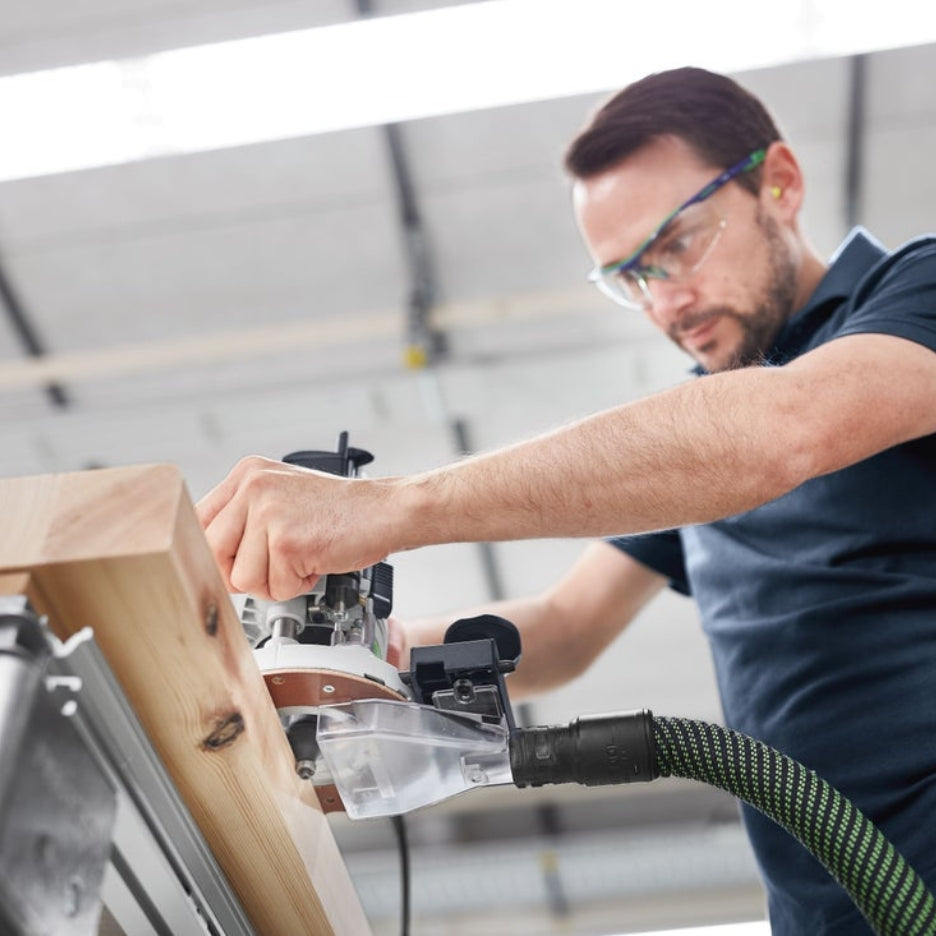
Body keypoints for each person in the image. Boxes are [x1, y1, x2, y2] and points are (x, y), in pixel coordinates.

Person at [196, 67, 936, 934]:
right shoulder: (703, 446)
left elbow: (785, 426)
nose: (665, 301)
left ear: (780, 182)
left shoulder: (911, 297)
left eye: (679, 244)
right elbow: (566, 627)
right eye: (630, 276)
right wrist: (367, 656)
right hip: (837, 910)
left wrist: (393, 507)